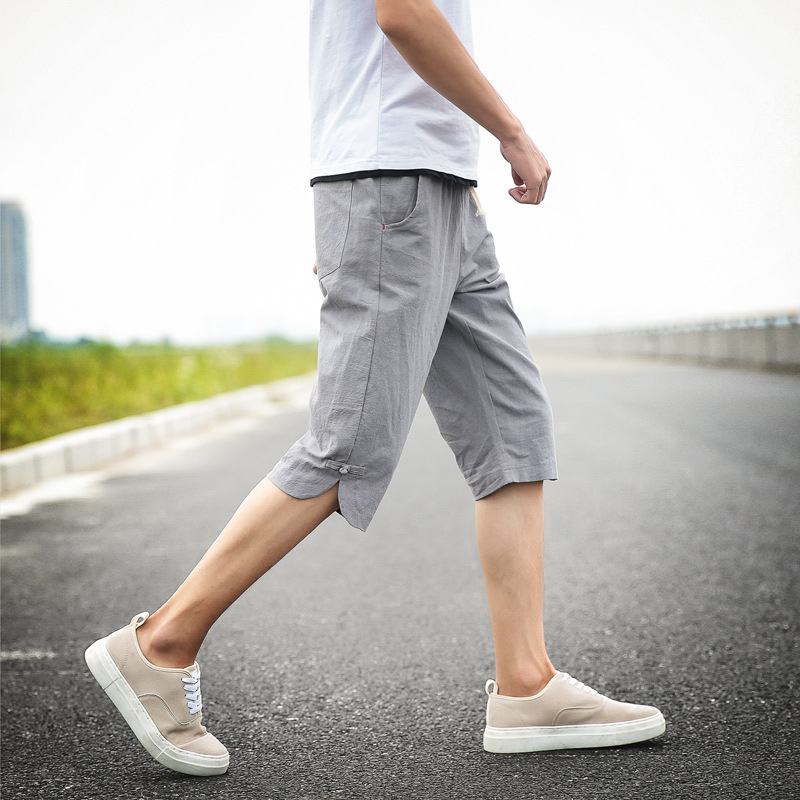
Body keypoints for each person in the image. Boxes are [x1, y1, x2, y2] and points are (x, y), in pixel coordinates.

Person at [85, 0, 665, 776]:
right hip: (392, 185)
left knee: (512, 428)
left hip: (441, 192)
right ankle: (161, 642)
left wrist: (452, 181)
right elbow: (402, 14)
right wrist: (511, 131)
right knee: (349, 443)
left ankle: (527, 685)